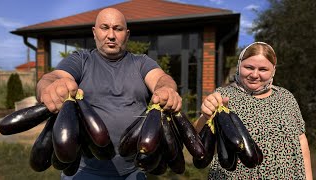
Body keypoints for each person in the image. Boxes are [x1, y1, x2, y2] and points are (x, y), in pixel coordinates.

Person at [36, 8, 182, 180]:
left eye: (118, 29)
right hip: (83, 171)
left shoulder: (141, 62)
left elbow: (161, 79)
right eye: (104, 27)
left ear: (126, 35)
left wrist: (166, 89)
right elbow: (53, 77)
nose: (111, 35)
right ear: (94, 32)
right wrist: (50, 86)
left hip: (134, 171)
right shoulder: (81, 60)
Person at [193, 42, 313, 179]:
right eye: (249, 67)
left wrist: (308, 177)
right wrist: (205, 117)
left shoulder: (286, 97)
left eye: (263, 69)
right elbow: (197, 138)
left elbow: (301, 140)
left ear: (273, 70)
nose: (255, 74)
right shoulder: (222, 96)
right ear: (239, 66)